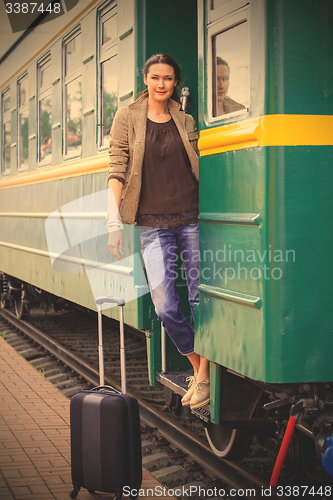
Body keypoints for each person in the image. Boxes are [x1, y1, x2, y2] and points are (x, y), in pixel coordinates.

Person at [107, 53, 210, 409]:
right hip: (152, 224)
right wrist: (113, 222)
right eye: (155, 77)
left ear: (176, 82)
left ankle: (204, 378)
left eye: (168, 78)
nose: (161, 84)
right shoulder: (128, 117)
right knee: (165, 304)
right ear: (145, 80)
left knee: (199, 298)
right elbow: (117, 168)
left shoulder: (185, 119)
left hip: (191, 217)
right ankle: (198, 367)